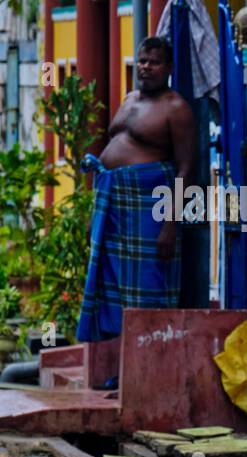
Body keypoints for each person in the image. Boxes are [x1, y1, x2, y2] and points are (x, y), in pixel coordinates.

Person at [77, 36, 194, 342]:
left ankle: (150, 365)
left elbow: (184, 168)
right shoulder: (129, 100)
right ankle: (120, 369)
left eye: (154, 62)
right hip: (114, 205)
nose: (145, 67)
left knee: (148, 289)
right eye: (142, 60)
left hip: (149, 211)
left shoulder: (176, 108)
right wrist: (96, 212)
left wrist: (171, 224)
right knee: (111, 288)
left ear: (168, 68)